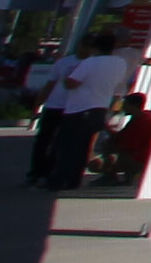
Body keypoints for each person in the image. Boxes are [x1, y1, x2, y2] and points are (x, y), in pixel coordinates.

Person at [27, 33, 133, 189]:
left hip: (78, 109)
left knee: (66, 147)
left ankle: (56, 180)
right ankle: (73, 180)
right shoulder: (120, 63)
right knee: (84, 147)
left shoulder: (89, 63)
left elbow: (71, 83)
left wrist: (68, 77)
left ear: (95, 47)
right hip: (100, 108)